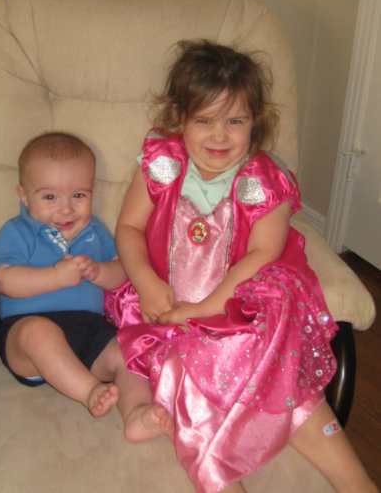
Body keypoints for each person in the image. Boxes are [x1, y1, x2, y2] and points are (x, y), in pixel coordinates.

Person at [106, 41, 377, 493]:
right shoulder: (161, 165)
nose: (219, 136)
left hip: (239, 305)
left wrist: (203, 310)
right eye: (204, 121)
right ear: (180, 118)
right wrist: (146, 281)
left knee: (279, 371)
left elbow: (261, 255)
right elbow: (129, 227)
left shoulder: (265, 181)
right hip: (163, 304)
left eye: (235, 121)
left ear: (255, 120)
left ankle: (356, 482)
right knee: (181, 375)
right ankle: (220, 479)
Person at [0, 132, 174, 441]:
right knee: (39, 333)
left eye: (78, 195)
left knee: (127, 353)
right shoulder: (17, 232)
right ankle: (89, 391)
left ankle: (136, 413)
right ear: (25, 196)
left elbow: (122, 271)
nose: (66, 209)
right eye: (50, 197)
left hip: (88, 330)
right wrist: (55, 276)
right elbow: (4, 280)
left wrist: (100, 272)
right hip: (26, 334)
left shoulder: (95, 231)